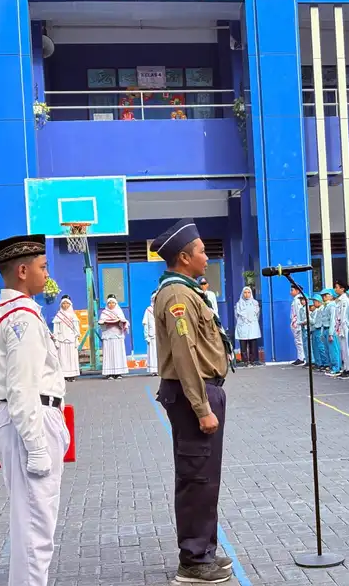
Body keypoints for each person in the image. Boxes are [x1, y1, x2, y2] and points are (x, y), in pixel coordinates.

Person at [150, 218, 234, 583]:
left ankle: (205, 550)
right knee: (196, 478)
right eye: (201, 250)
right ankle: (193, 559)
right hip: (192, 396)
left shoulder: (187, 291)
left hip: (202, 391)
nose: (206, 255)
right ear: (184, 257)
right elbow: (184, 354)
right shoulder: (178, 296)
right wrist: (202, 408)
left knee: (206, 478)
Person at [0, 234, 70, 586]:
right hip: (30, 422)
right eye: (42, 266)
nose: (46, 274)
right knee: (37, 528)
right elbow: (22, 390)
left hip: (22, 420)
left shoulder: (9, 313)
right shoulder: (22, 319)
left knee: (29, 524)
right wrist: (36, 446)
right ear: (22, 270)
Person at [99, 294, 129, 380]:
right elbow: (101, 324)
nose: (111, 305)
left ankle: (118, 372)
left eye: (113, 303)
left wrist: (121, 323)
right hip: (108, 336)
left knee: (118, 353)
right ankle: (109, 373)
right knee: (109, 354)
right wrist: (105, 323)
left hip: (117, 335)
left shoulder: (119, 312)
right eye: (109, 303)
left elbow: (124, 322)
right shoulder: (104, 313)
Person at [53, 294, 80, 381]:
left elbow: (76, 330)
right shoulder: (58, 316)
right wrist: (56, 340)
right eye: (63, 303)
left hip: (71, 339)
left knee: (72, 357)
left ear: (70, 304)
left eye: (67, 303)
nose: (65, 305)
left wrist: (76, 339)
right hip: (62, 340)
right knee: (62, 357)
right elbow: (56, 330)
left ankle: (72, 375)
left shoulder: (73, 316)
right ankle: (63, 375)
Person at [234, 287, 261, 367]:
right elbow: (237, 316)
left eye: (248, 292)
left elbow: (257, 315)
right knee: (243, 345)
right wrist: (243, 322)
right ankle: (245, 361)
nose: (247, 294)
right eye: (245, 292)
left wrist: (252, 322)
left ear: (251, 293)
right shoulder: (239, 304)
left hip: (252, 326)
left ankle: (252, 361)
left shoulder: (255, 303)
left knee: (252, 344)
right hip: (242, 326)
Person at [334, 281, 349, 378]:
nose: (335, 289)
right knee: (342, 349)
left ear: (342, 289)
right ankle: (345, 368)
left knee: (346, 348)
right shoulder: (339, 300)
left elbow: (344, 316)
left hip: (344, 327)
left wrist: (342, 328)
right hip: (340, 327)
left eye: (337, 287)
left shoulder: (345, 300)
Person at [142, 291, 158, 376]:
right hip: (152, 335)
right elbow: (146, 323)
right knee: (153, 353)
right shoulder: (148, 310)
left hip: (161, 336)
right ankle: (153, 370)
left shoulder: (161, 308)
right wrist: (146, 336)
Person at [289, 285, 306, 366]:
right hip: (295, 322)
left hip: (297, 323)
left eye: (292, 290)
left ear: (297, 291)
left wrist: (298, 324)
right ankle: (300, 357)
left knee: (299, 341)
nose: (290, 292)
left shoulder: (298, 300)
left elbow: (299, 313)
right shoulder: (295, 300)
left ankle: (301, 358)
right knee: (297, 341)